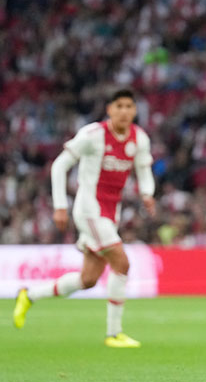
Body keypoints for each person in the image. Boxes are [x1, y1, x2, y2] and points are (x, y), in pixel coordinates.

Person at [13, 89, 156, 348]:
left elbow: (144, 170)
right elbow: (59, 165)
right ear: (109, 109)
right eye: (119, 106)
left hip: (111, 213)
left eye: (129, 106)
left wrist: (147, 194)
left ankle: (29, 295)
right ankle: (114, 333)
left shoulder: (140, 138)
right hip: (89, 209)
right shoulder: (93, 135)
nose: (124, 111)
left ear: (135, 111)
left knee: (88, 280)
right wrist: (60, 206)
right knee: (121, 263)